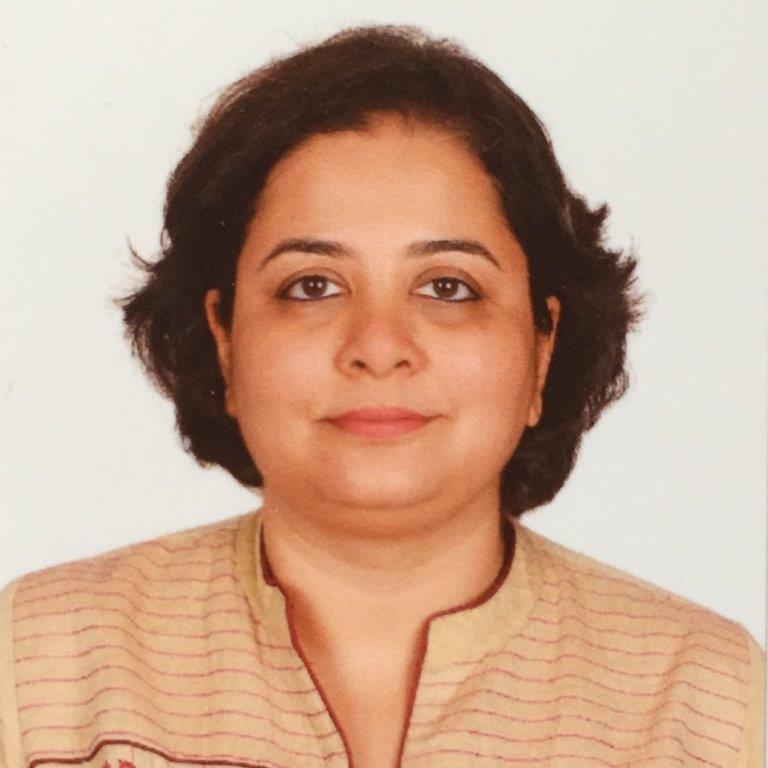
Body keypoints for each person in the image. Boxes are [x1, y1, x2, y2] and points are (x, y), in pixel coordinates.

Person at [0, 23, 763, 768]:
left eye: (448, 287)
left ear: (542, 347)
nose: (378, 344)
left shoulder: (705, 700)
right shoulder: (37, 664)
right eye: (312, 286)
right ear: (224, 339)